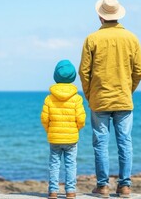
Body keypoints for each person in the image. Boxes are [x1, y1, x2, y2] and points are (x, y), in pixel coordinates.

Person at [79, 0, 141, 198]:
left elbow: (84, 72)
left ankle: (103, 186)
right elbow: (139, 71)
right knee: (125, 142)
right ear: (118, 16)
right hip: (124, 99)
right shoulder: (131, 38)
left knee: (100, 143)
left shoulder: (92, 39)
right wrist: (128, 90)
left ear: (100, 16)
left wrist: (91, 95)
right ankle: (124, 186)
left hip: (99, 99)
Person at [41, 60, 86, 199]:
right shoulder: (77, 98)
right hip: (71, 138)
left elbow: (44, 118)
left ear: (56, 76)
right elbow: (81, 119)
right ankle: (70, 192)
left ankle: (53, 191)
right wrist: (76, 129)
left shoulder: (49, 98)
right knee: (71, 164)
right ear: (73, 77)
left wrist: (50, 130)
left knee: (54, 164)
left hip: (54, 137)